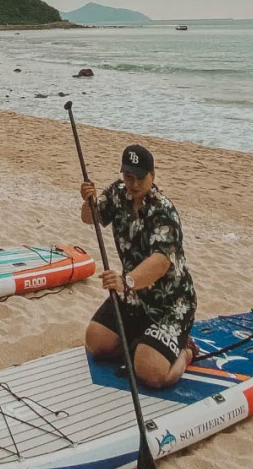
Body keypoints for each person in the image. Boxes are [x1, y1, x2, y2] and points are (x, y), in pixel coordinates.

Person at [79, 144, 198, 389]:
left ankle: (186, 351)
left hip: (170, 304)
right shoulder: (117, 192)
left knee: (151, 373)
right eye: (128, 176)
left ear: (152, 176)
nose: (133, 184)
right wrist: (87, 201)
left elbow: (161, 261)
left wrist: (127, 282)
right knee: (96, 342)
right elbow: (91, 218)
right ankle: (143, 340)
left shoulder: (164, 211)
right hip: (133, 298)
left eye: (139, 178)